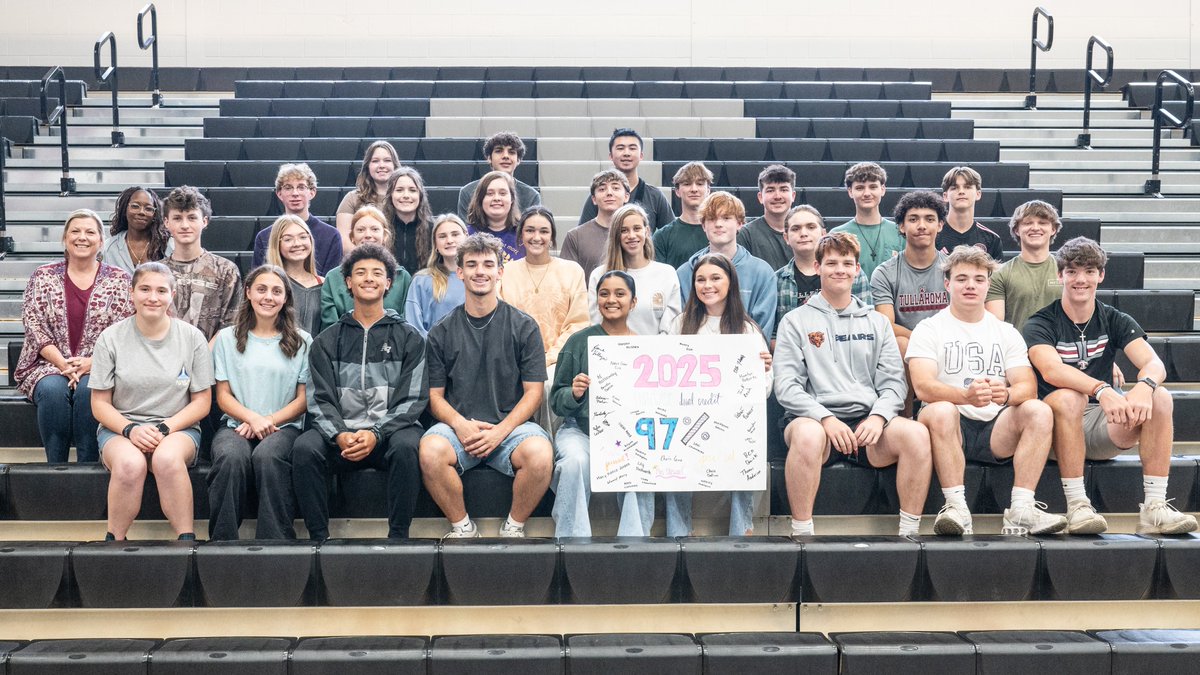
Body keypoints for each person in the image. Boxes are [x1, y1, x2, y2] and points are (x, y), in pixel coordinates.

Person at [1024, 237, 1197, 535]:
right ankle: (1078, 505)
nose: (1081, 279)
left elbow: (1155, 365)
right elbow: (1051, 370)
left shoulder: (1114, 318)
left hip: (1103, 425)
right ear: (1060, 274)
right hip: (1054, 427)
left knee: (1161, 397)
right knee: (1068, 398)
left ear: (1101, 276)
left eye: (1090, 271)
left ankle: (1154, 507)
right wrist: (1101, 389)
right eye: (1073, 271)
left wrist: (1144, 386)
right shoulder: (1041, 322)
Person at [775, 232, 931, 536]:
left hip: (866, 424)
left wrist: (878, 416)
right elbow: (787, 387)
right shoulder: (795, 321)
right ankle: (802, 534)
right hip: (815, 421)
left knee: (916, 433)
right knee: (806, 435)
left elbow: (893, 384)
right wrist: (826, 418)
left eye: (847, 263)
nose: (840, 270)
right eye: (831, 263)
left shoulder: (876, 322)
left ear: (857, 269)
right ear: (817, 267)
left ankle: (910, 534)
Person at [907, 246, 1066, 536]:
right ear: (947, 283)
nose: (970, 285)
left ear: (988, 284)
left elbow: (1027, 386)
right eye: (962, 278)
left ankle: (1021, 509)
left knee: (1039, 410)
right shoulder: (929, 328)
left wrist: (1005, 395)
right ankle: (957, 508)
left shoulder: (1005, 331)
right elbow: (922, 386)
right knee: (940, 408)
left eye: (979, 279)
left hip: (995, 427)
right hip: (948, 425)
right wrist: (964, 396)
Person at [419, 233, 554, 538]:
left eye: (488, 264)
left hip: (511, 429)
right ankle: (463, 528)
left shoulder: (524, 326)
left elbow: (533, 393)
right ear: (460, 272)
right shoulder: (441, 331)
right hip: (458, 428)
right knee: (430, 450)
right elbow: (434, 397)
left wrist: (500, 431)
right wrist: (460, 425)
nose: (480, 271)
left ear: (499, 272)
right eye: (472, 264)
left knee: (541, 454)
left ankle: (513, 528)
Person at [293, 244, 428, 541]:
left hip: (390, 434)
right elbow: (319, 399)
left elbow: (414, 399)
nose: (369, 278)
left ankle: (398, 537)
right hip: (342, 436)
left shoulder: (410, 337)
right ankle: (318, 540)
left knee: (409, 447)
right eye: (361, 273)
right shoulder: (326, 340)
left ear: (388, 284)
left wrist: (377, 433)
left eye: (377, 273)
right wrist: (339, 434)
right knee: (304, 449)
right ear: (348, 282)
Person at [90, 262, 214, 541]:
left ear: (172, 294)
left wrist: (164, 429)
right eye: (144, 289)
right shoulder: (110, 338)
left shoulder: (193, 338)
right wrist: (131, 429)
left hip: (177, 428)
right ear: (131, 292)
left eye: (161, 290)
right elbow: (99, 405)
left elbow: (202, 402)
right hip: (120, 428)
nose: (153, 297)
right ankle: (115, 542)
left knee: (167, 459)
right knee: (130, 464)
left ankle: (187, 542)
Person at [14, 209, 134, 463]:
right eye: (75, 231)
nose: (82, 237)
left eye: (90, 232)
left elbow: (126, 329)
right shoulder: (42, 276)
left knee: (89, 389)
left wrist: (93, 362)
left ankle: (87, 468)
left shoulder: (120, 279)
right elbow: (33, 325)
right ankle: (55, 468)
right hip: (47, 364)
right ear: (65, 238)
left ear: (101, 241)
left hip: (101, 365)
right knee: (53, 390)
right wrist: (63, 364)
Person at [665, 253, 772, 536]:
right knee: (672, 450)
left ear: (730, 283)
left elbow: (765, 387)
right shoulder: (680, 325)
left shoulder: (747, 329)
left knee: (747, 443)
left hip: (731, 422)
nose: (707, 285)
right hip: (688, 420)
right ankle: (679, 533)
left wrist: (760, 371)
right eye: (700, 279)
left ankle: (742, 530)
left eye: (715, 278)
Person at [208, 265, 312, 540]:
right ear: (248, 293)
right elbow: (223, 396)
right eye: (262, 289)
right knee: (230, 457)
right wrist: (252, 419)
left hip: (284, 427)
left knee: (268, 456)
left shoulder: (302, 341)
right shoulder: (227, 339)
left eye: (277, 291)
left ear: (286, 298)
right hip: (236, 425)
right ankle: (222, 542)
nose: (269, 297)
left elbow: (303, 400)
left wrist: (267, 421)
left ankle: (275, 542)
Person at [550, 270, 656, 537]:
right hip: (579, 430)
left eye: (620, 294)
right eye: (604, 293)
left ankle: (635, 545)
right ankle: (571, 543)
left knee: (640, 465)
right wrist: (574, 394)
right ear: (596, 299)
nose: (611, 299)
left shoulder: (646, 348)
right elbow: (556, 400)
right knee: (574, 462)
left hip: (629, 433)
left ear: (633, 302)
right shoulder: (578, 342)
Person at [677, 191, 779, 338]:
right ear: (703, 225)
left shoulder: (762, 273)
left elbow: (761, 332)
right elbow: (681, 324)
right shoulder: (684, 273)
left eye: (726, 218)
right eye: (711, 219)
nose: (718, 224)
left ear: (740, 224)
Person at [499, 207, 588, 370]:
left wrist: (549, 359)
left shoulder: (572, 271)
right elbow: (500, 324)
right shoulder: (505, 272)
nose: (537, 237)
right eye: (530, 230)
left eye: (544, 231)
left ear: (552, 237)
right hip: (516, 365)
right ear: (521, 235)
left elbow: (578, 324)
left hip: (560, 364)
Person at [773, 205, 871, 344]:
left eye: (811, 227)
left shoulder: (853, 274)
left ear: (823, 233)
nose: (804, 233)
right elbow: (775, 335)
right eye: (796, 228)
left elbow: (866, 321)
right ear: (786, 237)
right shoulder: (776, 281)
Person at [871, 191, 950, 355]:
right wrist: (922, 341)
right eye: (913, 219)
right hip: (908, 348)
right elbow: (886, 325)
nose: (922, 225)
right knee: (900, 343)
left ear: (940, 225)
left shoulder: (953, 268)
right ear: (901, 226)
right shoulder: (885, 273)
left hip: (948, 344)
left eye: (929, 219)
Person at [161, 186, 242, 341]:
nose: (185, 225)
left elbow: (232, 323)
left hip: (212, 358)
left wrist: (204, 355)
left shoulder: (226, 270)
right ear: (166, 222)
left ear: (204, 221)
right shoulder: (156, 272)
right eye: (177, 218)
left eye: (192, 217)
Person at [587, 203, 681, 335]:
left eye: (637, 228)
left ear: (646, 231)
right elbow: (596, 325)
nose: (631, 236)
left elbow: (671, 328)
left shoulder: (667, 274)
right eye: (624, 230)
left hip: (654, 352)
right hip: (612, 351)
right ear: (616, 235)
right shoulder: (599, 275)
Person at [321, 206, 411, 332]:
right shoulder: (333, 278)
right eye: (361, 230)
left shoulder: (402, 277)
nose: (368, 235)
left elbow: (405, 323)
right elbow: (330, 328)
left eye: (374, 229)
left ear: (384, 235)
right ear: (352, 237)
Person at [251, 163, 343, 275]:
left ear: (312, 192)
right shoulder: (264, 236)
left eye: (301, 187)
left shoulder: (331, 235)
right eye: (288, 188)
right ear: (279, 194)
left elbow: (330, 282)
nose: (295, 193)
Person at [986, 200, 1063, 332]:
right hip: (1018, 350)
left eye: (1042, 223)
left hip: (1059, 350)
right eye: (1028, 223)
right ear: (1016, 229)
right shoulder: (1000, 274)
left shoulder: (1067, 271)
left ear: (1053, 229)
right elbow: (995, 327)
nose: (1035, 227)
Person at [577, 128, 674, 230]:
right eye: (620, 148)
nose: (626, 153)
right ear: (611, 156)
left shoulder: (655, 196)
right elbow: (583, 234)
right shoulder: (601, 195)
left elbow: (671, 234)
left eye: (632, 148)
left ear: (641, 155)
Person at [831, 162, 904, 279]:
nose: (867, 193)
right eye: (860, 188)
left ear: (883, 189)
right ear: (850, 192)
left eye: (873, 187)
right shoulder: (837, 234)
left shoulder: (900, 232)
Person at [559, 169, 631, 279]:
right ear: (594, 199)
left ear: (626, 196)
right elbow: (566, 280)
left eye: (616, 188)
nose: (609, 193)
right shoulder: (575, 236)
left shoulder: (635, 235)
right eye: (602, 189)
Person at [406, 213, 468, 337]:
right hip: (433, 353)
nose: (449, 240)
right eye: (442, 236)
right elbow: (413, 327)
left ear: (466, 236)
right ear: (435, 244)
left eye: (455, 234)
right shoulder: (421, 281)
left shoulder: (479, 278)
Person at [457, 131, 542, 219]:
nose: (505, 156)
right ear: (489, 158)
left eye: (511, 152)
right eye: (499, 151)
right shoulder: (468, 192)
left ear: (519, 160)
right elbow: (465, 230)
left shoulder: (531, 196)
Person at [335, 140, 400, 253]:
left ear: (395, 165)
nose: (381, 165)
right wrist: (368, 260)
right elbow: (344, 241)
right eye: (375, 161)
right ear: (367, 166)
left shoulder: (403, 199)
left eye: (387, 160)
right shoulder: (351, 198)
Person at [265, 215, 323, 336]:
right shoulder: (270, 284)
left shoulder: (324, 284)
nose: (297, 243)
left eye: (303, 237)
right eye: (288, 239)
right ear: (277, 244)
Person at [653, 161, 713, 269]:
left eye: (699, 184)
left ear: (708, 190)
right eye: (687, 184)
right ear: (677, 191)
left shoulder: (720, 232)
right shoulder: (662, 237)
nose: (694, 189)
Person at [100, 186, 172, 274]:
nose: (141, 212)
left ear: (154, 215)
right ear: (124, 210)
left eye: (148, 208)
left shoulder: (168, 245)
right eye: (135, 206)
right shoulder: (108, 248)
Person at [737, 164, 796, 271]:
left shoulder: (807, 231)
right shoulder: (746, 235)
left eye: (783, 189)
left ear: (793, 196)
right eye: (770, 190)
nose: (777, 196)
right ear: (760, 197)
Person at [939, 166, 1004, 260]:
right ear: (945, 196)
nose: (961, 191)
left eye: (967, 187)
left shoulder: (992, 239)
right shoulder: (933, 235)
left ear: (978, 194)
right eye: (954, 188)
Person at [383, 166, 433, 275]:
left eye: (412, 190)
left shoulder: (434, 230)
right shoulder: (380, 229)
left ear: (420, 195)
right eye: (399, 190)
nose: (406, 195)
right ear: (390, 195)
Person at [466, 170, 524, 263]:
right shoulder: (467, 235)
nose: (496, 198)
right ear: (480, 199)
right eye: (490, 193)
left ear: (512, 199)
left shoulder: (523, 235)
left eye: (502, 193)